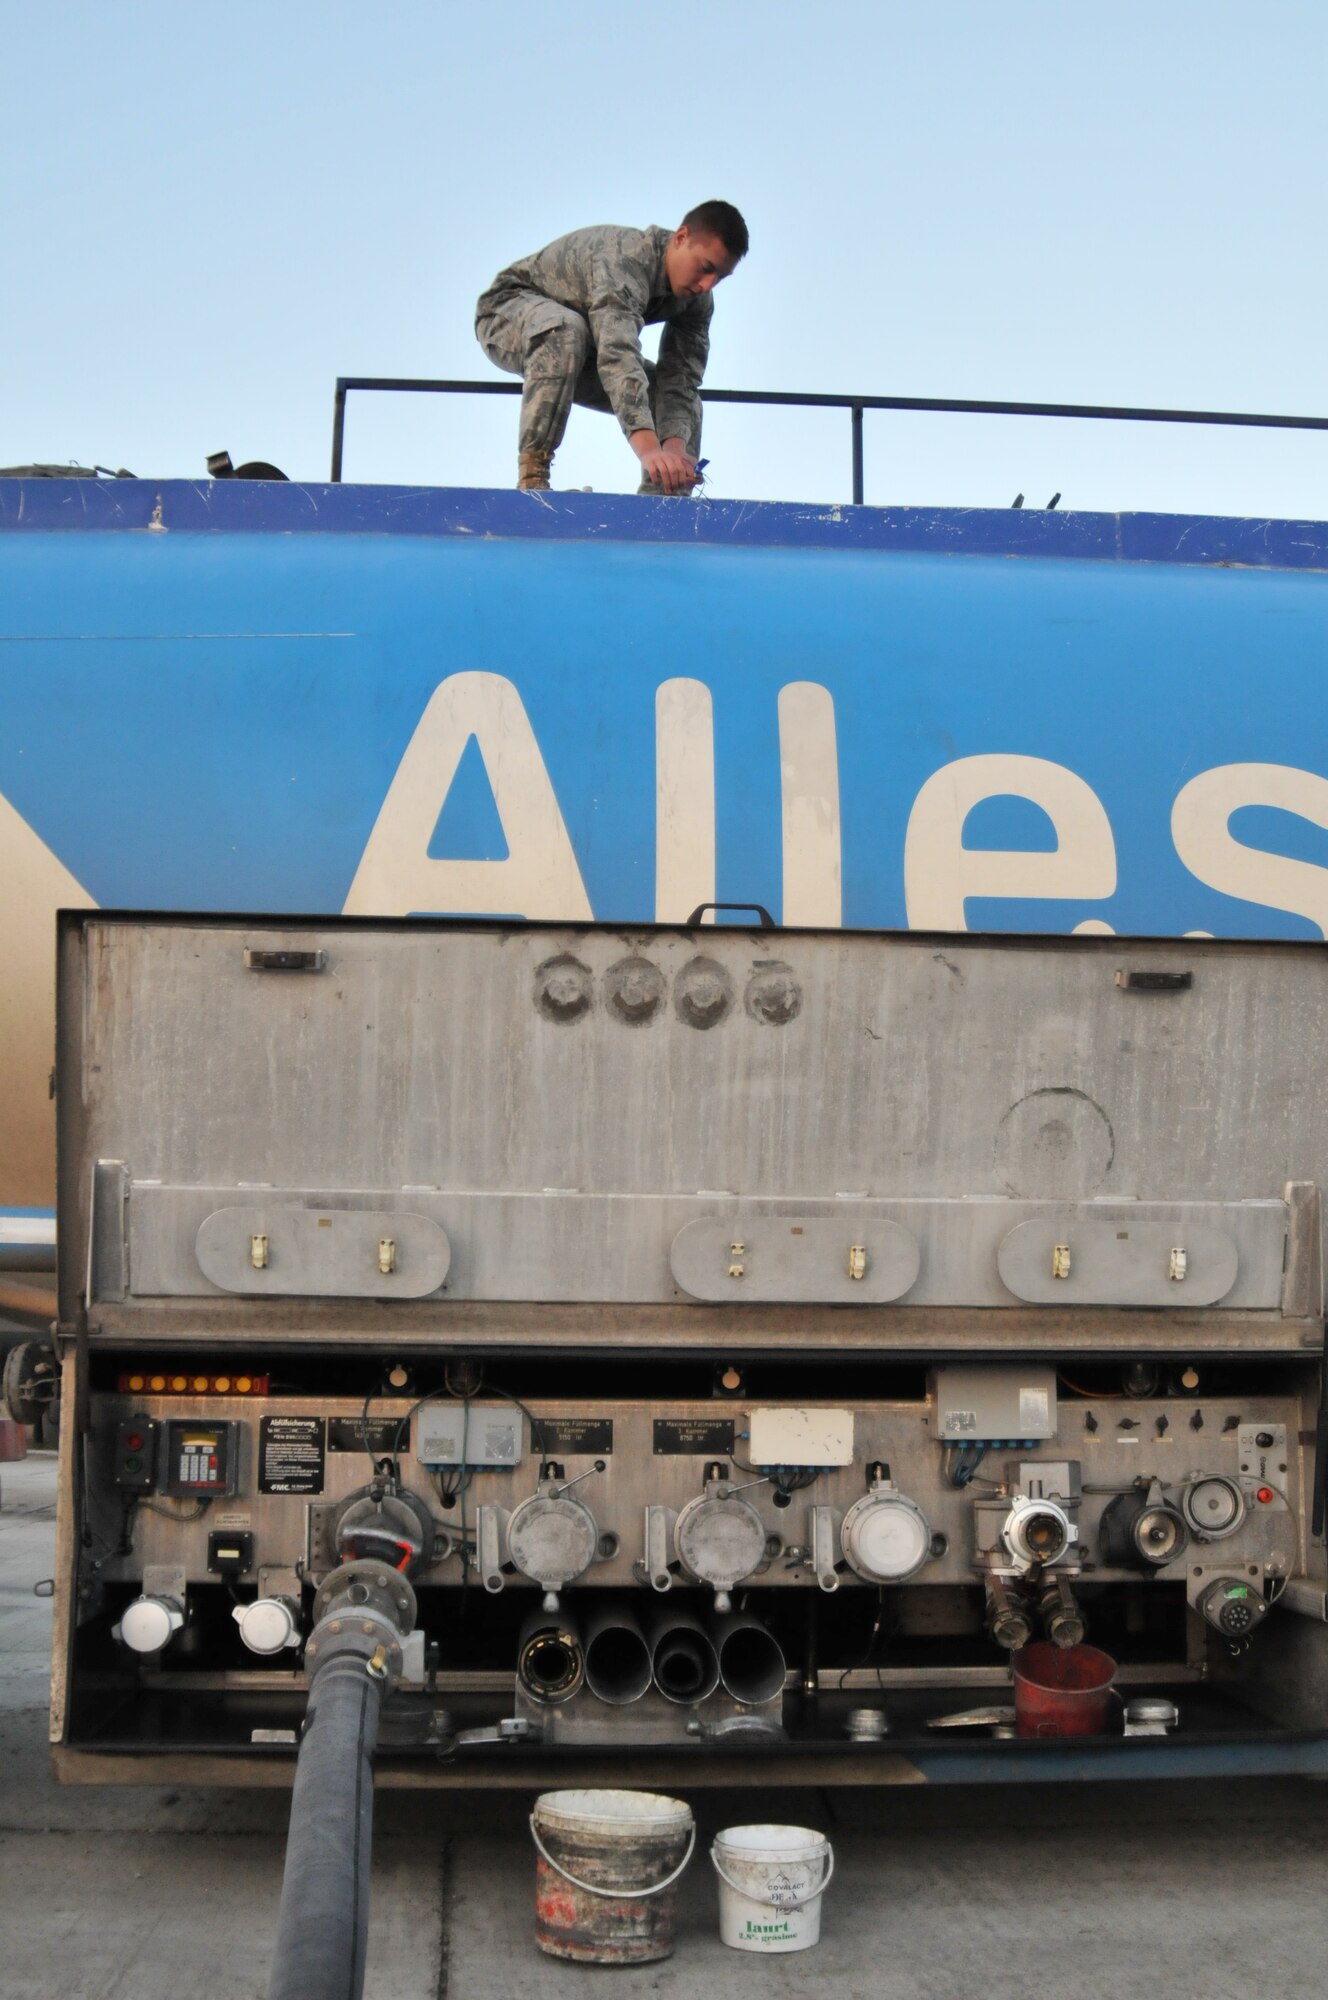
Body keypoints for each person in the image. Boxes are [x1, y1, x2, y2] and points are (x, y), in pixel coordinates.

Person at [475, 201, 749, 494]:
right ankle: (533, 480)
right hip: (508, 315)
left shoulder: (698, 301)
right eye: (705, 268)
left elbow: (681, 379)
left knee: (681, 399)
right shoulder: (626, 259)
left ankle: (662, 511)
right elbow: (617, 354)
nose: (708, 285)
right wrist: (648, 451)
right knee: (566, 330)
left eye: (720, 277)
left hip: (584, 349)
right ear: (681, 238)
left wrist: (673, 450)